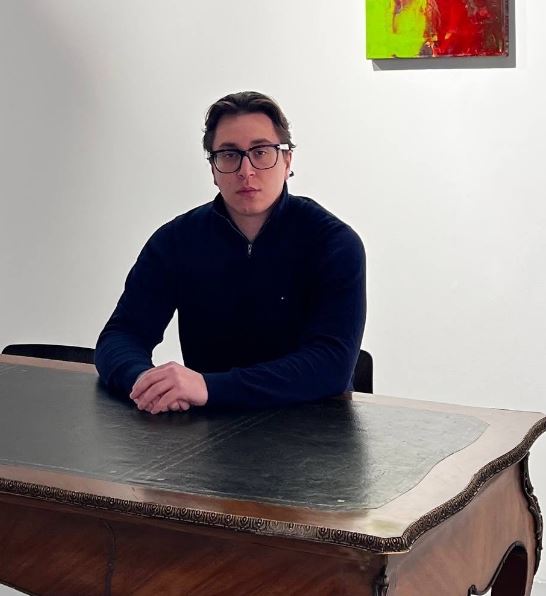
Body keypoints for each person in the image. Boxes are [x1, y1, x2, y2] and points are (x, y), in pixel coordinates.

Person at [95, 91, 366, 414]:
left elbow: (331, 366)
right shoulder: (176, 241)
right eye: (229, 155)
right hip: (209, 427)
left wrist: (209, 388)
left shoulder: (334, 243)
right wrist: (144, 381)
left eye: (261, 152)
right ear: (213, 169)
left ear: (287, 161)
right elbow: (122, 335)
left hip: (313, 429)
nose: (246, 171)